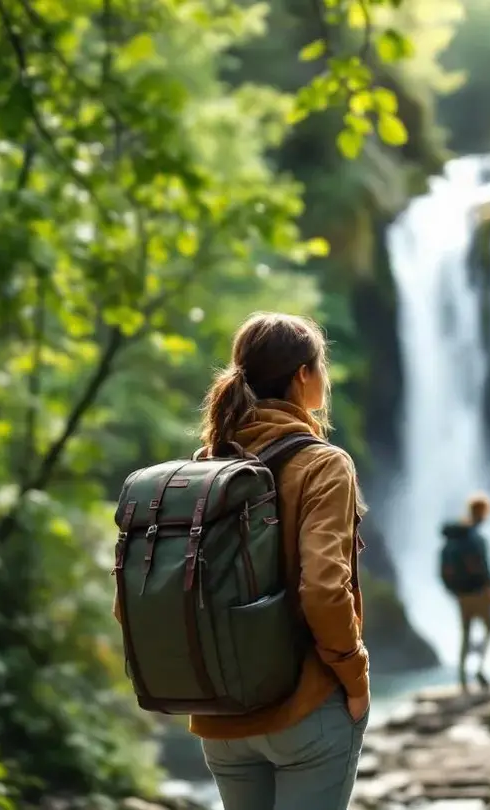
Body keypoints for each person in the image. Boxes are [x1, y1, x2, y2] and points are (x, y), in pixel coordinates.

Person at [118, 312, 369, 810]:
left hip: (223, 715)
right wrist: (354, 675)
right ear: (303, 375)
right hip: (305, 708)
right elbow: (322, 588)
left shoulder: (207, 463)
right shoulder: (323, 463)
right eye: (322, 366)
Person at [439, 493, 490, 692]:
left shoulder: (454, 535)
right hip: (478, 591)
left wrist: (453, 590)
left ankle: (463, 679)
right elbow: (483, 567)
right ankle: (479, 668)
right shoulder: (474, 537)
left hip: (461, 594)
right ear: (482, 512)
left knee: (465, 634)